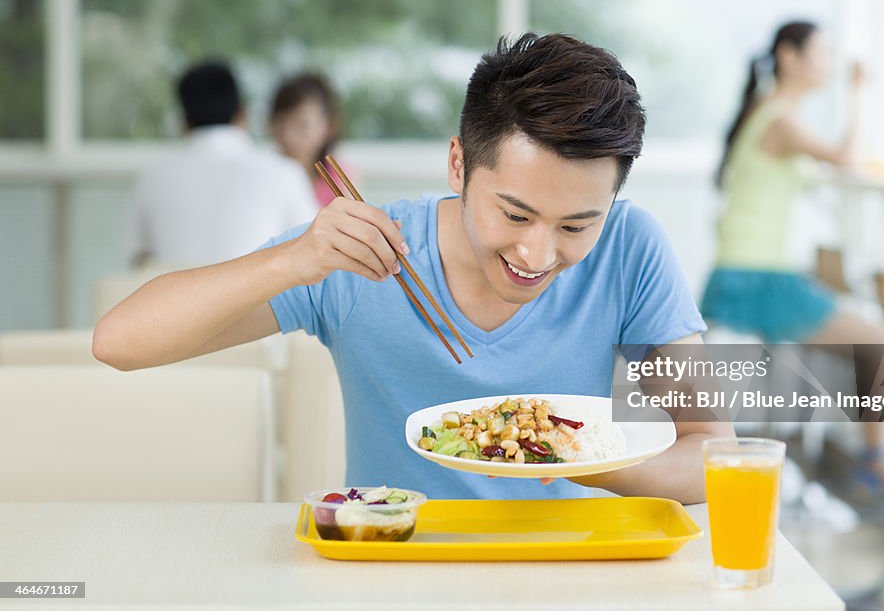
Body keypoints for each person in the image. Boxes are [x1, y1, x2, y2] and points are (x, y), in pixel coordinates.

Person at [96, 34, 733, 503]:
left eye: (576, 226)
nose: (538, 256)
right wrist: (294, 259)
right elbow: (119, 343)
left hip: (573, 567)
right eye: (514, 215)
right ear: (458, 165)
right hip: (396, 566)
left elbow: (712, 449)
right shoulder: (365, 252)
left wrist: (576, 460)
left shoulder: (630, 249)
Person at [700, 21, 884, 491]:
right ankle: (877, 469)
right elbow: (850, 157)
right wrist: (858, 92)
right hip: (756, 281)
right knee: (878, 341)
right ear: (789, 56)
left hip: (737, 274)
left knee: (870, 339)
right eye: (822, 53)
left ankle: (871, 466)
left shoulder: (762, 109)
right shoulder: (782, 120)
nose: (828, 64)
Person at [131, 61, 318, 267]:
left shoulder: (152, 176)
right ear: (242, 114)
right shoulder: (284, 172)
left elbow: (140, 261)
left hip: (175, 297)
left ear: (183, 122)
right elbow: (313, 254)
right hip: (256, 297)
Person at [268, 72, 358, 208]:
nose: (288, 136)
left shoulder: (339, 178)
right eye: (280, 124)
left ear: (329, 126)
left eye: (302, 125)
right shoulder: (265, 174)